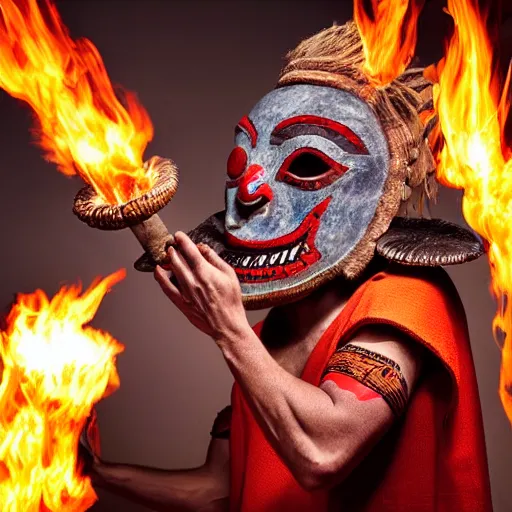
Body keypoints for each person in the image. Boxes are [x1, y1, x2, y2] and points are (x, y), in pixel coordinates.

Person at [80, 21, 492, 511]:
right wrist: (98, 473)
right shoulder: (267, 335)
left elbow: (323, 453)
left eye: (308, 163)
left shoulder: (406, 299)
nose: (250, 190)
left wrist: (227, 330)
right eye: (241, 164)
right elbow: (219, 488)